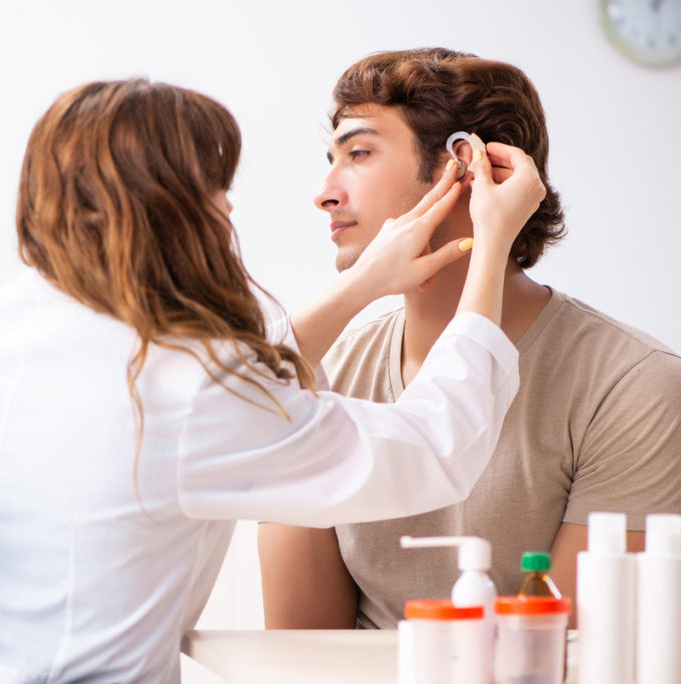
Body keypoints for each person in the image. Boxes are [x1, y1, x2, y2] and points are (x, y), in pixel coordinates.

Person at [0, 77, 545, 682]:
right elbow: (432, 447)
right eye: (213, 186)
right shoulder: (186, 386)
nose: (227, 206)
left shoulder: (9, 318)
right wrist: (491, 244)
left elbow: (234, 385)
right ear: (167, 207)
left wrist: (362, 283)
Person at [259, 48, 681, 632]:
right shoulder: (322, 366)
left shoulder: (633, 386)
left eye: (358, 153)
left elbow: (564, 649)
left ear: (466, 165)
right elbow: (300, 654)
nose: (324, 193)